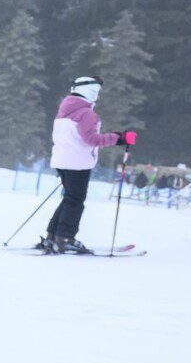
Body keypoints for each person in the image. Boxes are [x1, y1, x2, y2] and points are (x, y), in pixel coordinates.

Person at [38, 76, 134, 254]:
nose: (98, 96)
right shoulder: (86, 113)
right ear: (90, 92)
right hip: (78, 162)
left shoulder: (65, 110)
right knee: (75, 201)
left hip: (62, 160)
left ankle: (53, 236)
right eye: (97, 92)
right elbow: (91, 139)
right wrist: (118, 138)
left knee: (69, 199)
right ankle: (65, 238)